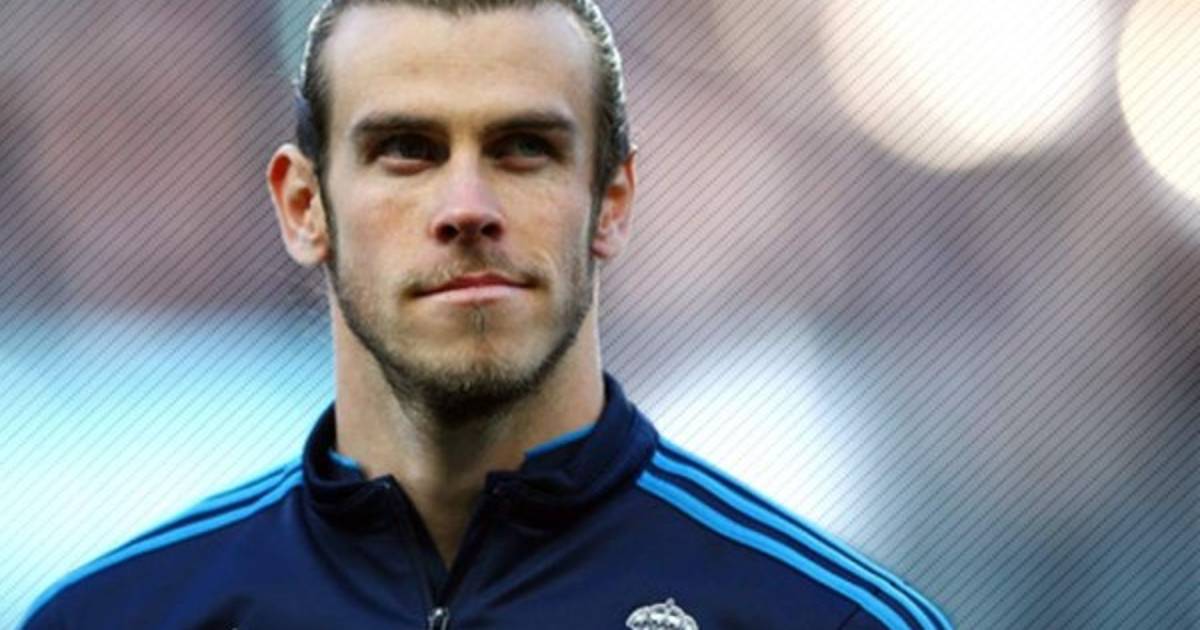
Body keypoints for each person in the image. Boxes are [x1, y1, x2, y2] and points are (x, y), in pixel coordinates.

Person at [22, 1, 951, 628]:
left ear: (611, 202)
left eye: (522, 148)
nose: (466, 206)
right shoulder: (112, 616)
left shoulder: (824, 615)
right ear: (304, 207)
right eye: (407, 149)